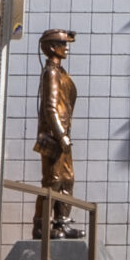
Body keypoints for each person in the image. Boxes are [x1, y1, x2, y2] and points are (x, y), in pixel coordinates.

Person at [34, 30, 79, 237]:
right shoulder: (51, 72)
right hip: (54, 137)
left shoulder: (61, 72)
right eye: (63, 43)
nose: (67, 47)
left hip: (63, 136)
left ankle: (61, 223)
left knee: (67, 179)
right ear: (52, 47)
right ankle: (41, 226)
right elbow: (50, 108)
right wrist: (61, 135)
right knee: (52, 182)